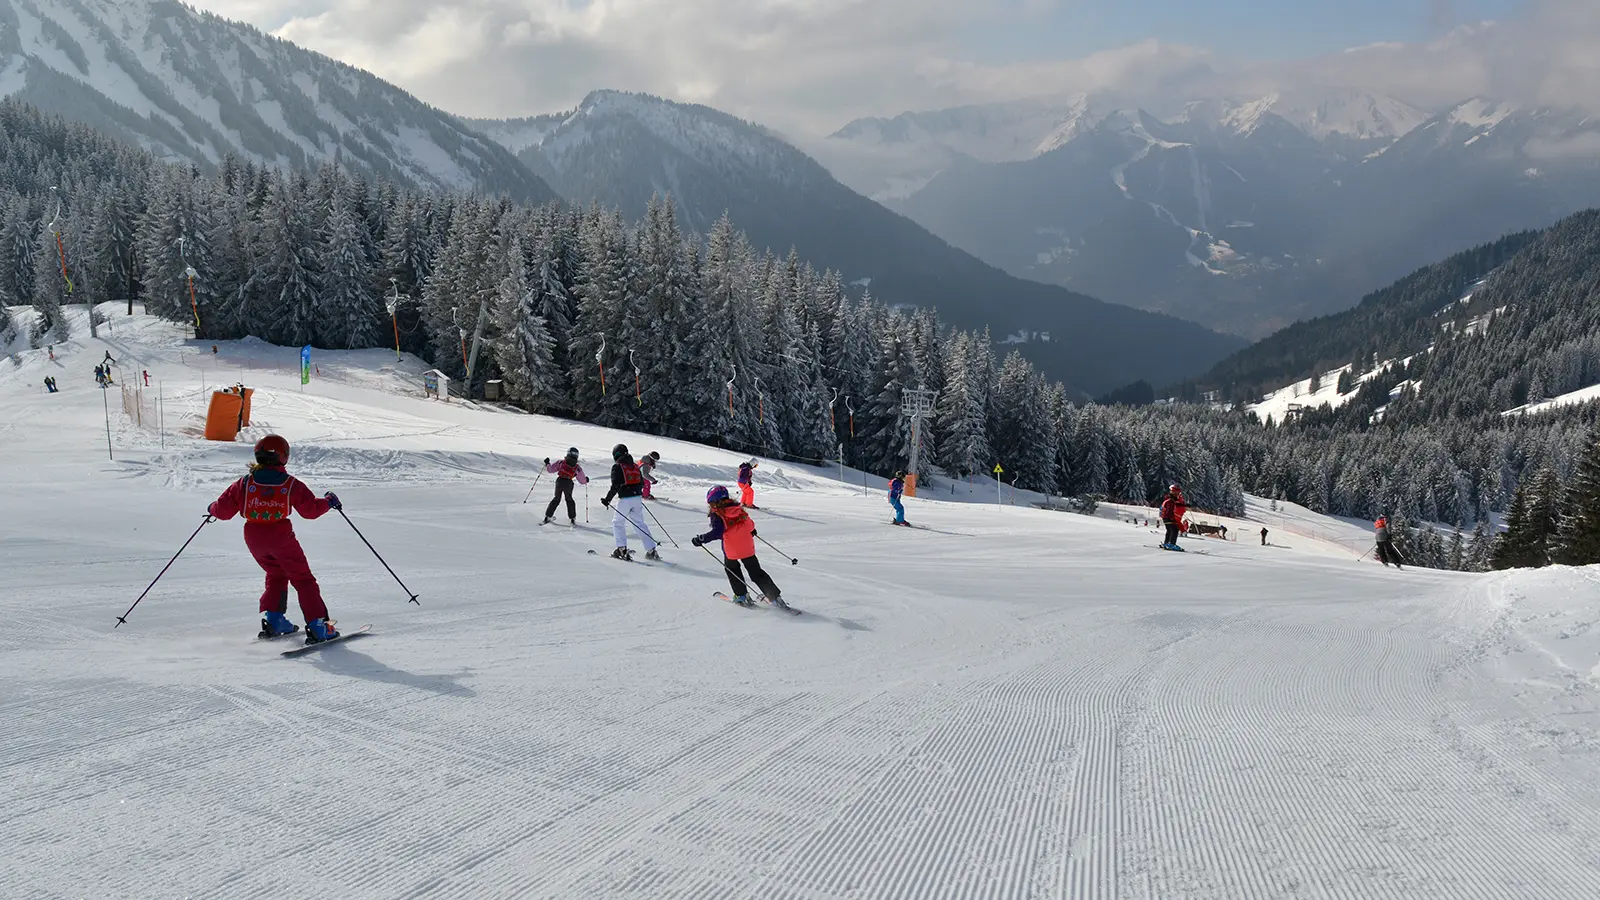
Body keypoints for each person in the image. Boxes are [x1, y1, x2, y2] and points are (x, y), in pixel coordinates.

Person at [207, 435, 343, 643]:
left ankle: (275, 620)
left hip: (253, 537)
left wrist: (212, 509)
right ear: (284, 457)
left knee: (276, 573)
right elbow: (310, 510)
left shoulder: (245, 483)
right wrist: (328, 502)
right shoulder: (290, 484)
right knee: (303, 579)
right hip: (280, 536)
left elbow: (224, 511)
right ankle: (318, 626)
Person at [693, 485, 788, 610]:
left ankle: (741, 597)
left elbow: (717, 532)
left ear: (716, 502)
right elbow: (750, 525)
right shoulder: (738, 509)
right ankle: (775, 598)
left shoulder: (718, 515)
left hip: (731, 550)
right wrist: (753, 530)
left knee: (733, 571)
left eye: (711, 503)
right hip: (747, 548)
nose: (710, 506)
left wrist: (701, 539)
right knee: (756, 573)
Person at [601, 443, 659, 561]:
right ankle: (651, 550)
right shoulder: (634, 465)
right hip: (637, 498)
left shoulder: (618, 466)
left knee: (618, 522)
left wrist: (607, 500)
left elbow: (616, 485)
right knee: (639, 523)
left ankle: (621, 549)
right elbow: (642, 483)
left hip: (625, 499)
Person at [541, 448, 588, 525]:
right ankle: (572, 519)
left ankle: (547, 517)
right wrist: (586, 480)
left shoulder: (561, 463)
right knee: (569, 500)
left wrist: (547, 463)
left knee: (556, 499)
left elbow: (550, 470)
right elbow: (582, 481)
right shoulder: (577, 467)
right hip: (569, 483)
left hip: (559, 481)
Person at [1159, 484, 1187, 551]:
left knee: (1169, 530)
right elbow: (1169, 510)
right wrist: (1172, 518)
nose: (1178, 494)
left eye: (1178, 493)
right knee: (1175, 530)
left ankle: (1166, 543)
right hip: (1169, 518)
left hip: (1165, 518)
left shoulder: (1170, 499)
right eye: (1176, 493)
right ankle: (1172, 544)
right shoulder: (1170, 501)